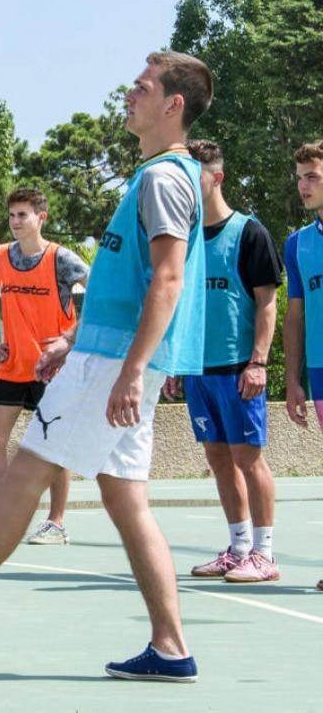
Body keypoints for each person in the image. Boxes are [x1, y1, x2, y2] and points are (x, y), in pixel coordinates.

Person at [0, 51, 214, 683]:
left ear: (173, 104)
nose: (129, 94)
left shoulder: (165, 178)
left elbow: (168, 280)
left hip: (113, 363)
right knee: (126, 499)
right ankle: (171, 647)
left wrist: (130, 368)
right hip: (106, 354)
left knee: (27, 469)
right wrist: (75, 339)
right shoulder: (158, 176)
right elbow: (129, 283)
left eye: (142, 87)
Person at [0, 188, 86, 547]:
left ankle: (56, 523)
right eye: (11, 215)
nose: (15, 221)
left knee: (54, 445)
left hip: (52, 368)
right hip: (13, 366)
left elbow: (102, 298)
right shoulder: (0, 258)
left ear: (41, 217)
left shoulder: (62, 259)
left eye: (23, 214)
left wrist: (69, 340)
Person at [169, 140, 282, 584]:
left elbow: (268, 303)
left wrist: (259, 362)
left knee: (248, 458)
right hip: (199, 369)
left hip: (239, 369)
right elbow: (181, 304)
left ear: (216, 179)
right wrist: (177, 362)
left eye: (192, 177)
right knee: (218, 458)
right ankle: (238, 548)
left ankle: (265, 553)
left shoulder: (250, 233)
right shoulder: (185, 240)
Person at [279, 141, 323, 590]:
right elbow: (295, 315)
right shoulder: (297, 244)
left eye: (312, 177)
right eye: (299, 178)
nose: (303, 186)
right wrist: (293, 380)